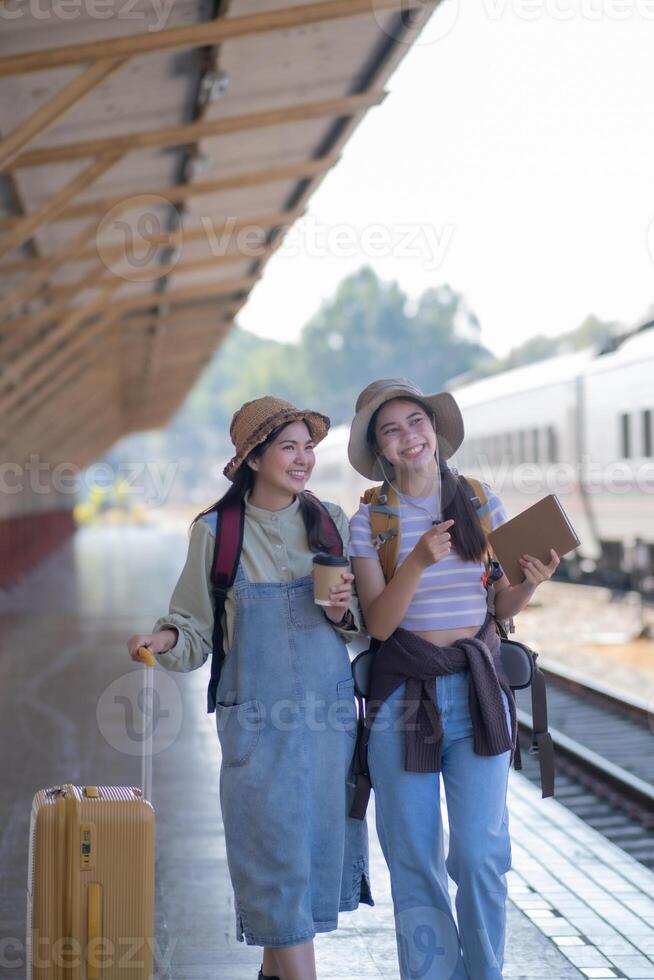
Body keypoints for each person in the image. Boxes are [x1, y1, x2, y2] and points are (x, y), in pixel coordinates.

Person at [127, 396, 373, 980]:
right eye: (288, 446)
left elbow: (365, 623)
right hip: (258, 733)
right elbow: (191, 626)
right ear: (254, 458)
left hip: (325, 726)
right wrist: (165, 641)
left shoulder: (329, 521)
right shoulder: (216, 533)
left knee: (303, 870)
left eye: (308, 446)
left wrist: (344, 611)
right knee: (275, 870)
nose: (304, 458)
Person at [347, 379, 559, 980]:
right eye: (391, 430)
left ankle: (485, 973)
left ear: (434, 431)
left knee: (478, 855)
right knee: (415, 859)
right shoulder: (372, 523)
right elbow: (382, 625)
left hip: (475, 693)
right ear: (381, 449)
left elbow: (499, 608)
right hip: (401, 702)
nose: (408, 436)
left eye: (416, 422)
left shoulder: (479, 501)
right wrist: (416, 562)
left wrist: (533, 581)